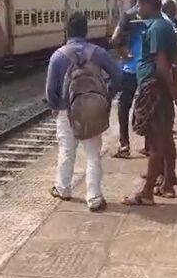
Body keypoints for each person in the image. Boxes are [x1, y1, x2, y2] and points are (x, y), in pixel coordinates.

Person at [46, 11, 122, 212]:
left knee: (66, 150)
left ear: (66, 31)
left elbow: (50, 91)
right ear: (86, 30)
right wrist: (106, 97)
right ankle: (94, 198)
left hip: (65, 111)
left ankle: (63, 188)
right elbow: (118, 76)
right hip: (92, 109)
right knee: (93, 154)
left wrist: (57, 107)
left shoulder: (58, 56)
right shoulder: (98, 53)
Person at [124, 0, 177, 205]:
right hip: (160, 89)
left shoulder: (158, 27)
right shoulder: (161, 26)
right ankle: (167, 181)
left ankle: (147, 192)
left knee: (157, 143)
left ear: (150, 3)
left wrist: (173, 92)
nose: (137, 7)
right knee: (166, 138)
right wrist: (175, 89)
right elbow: (175, 60)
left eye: (139, 3)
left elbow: (161, 65)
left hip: (155, 90)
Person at [111, 0, 148, 159]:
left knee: (123, 105)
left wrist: (123, 55)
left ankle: (124, 145)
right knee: (149, 106)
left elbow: (115, 39)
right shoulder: (158, 15)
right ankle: (149, 144)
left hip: (131, 68)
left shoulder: (129, 15)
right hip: (149, 69)